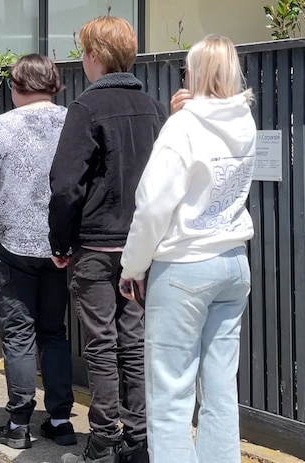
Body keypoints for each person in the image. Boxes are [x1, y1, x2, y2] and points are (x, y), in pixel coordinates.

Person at [119, 35, 256, 463]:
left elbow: (154, 204)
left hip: (183, 265)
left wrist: (133, 267)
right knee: (220, 386)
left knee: (170, 391)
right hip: (233, 260)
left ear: (193, 73)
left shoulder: (183, 125)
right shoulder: (244, 120)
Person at [49, 15, 167, 463]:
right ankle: (138, 439)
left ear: (94, 56)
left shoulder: (86, 108)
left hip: (95, 246)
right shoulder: (155, 109)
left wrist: (60, 243)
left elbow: (65, 185)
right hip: (141, 247)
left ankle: (102, 439)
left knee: (100, 342)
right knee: (133, 341)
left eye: (83, 51)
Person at [0, 54, 75, 450]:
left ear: (15, 86)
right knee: (54, 332)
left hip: (11, 246)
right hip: (60, 248)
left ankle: (19, 423)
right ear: (54, 84)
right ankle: (61, 420)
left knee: (18, 333)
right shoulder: (72, 122)